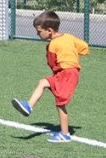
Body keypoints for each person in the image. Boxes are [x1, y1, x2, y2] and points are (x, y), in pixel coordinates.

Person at [11, 9, 89, 143]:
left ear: (49, 30)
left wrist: (66, 63)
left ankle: (65, 134)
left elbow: (52, 63)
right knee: (43, 83)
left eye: (39, 31)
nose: (37, 34)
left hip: (66, 74)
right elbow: (84, 47)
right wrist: (71, 54)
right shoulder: (68, 37)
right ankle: (29, 106)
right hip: (70, 73)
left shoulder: (52, 45)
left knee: (60, 104)